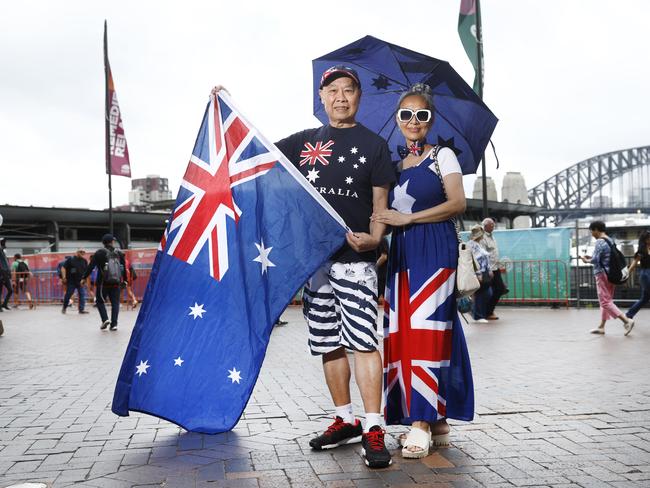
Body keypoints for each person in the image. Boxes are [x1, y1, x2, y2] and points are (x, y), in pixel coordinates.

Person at [237, 65, 396, 468]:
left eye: (349, 90)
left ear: (359, 97)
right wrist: (226, 105)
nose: (341, 97)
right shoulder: (303, 141)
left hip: (355, 259)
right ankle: (345, 419)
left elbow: (380, 208)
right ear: (321, 98)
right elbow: (252, 152)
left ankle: (374, 426)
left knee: (363, 341)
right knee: (328, 342)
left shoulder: (375, 146)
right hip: (315, 261)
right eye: (333, 91)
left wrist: (376, 240)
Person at [371, 83, 474, 459]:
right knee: (408, 331)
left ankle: (421, 423)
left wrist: (408, 217)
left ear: (430, 120)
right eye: (406, 115)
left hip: (434, 246)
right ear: (398, 121)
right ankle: (439, 421)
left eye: (422, 115)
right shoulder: (396, 166)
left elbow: (458, 203)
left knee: (425, 328)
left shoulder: (443, 156)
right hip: (403, 252)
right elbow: (385, 214)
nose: (414, 121)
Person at [580, 221, 634, 335]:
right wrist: (593, 257)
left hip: (602, 274)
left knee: (605, 301)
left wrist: (586, 260)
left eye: (591, 231)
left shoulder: (600, 241)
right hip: (611, 274)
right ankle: (601, 327)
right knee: (606, 301)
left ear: (596, 229)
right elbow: (603, 257)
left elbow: (595, 260)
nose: (592, 234)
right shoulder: (609, 240)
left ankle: (626, 321)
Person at [82, 234, 126, 331]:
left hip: (103, 282)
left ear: (103, 243)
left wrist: (84, 278)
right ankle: (114, 324)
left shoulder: (99, 253)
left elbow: (91, 266)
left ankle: (105, 319)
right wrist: (125, 280)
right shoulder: (119, 253)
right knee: (115, 303)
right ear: (112, 242)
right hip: (116, 282)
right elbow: (123, 268)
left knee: (100, 301)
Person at [480, 218, 508, 320]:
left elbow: (493, 253)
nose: (493, 226)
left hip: (495, 267)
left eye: (493, 224)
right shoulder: (483, 238)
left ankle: (487, 311)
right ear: (485, 226)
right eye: (491, 225)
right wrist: (488, 269)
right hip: (488, 269)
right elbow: (483, 255)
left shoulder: (492, 237)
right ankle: (485, 312)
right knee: (486, 291)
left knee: (499, 289)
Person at [467, 225, 492, 323]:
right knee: (481, 294)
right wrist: (478, 273)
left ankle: (477, 313)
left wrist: (488, 269)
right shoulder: (472, 245)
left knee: (485, 293)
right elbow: (475, 260)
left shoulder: (478, 244)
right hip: (479, 272)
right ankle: (477, 315)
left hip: (483, 271)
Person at [626, 231, 650, 320]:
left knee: (644, 299)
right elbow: (634, 263)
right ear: (646, 240)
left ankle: (629, 315)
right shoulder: (641, 250)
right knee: (644, 298)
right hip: (646, 275)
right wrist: (627, 273)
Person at [61, 249, 89, 314]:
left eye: (83, 252)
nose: (82, 253)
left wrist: (85, 280)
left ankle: (81, 310)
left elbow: (86, 271)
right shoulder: (70, 259)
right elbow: (63, 268)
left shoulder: (84, 261)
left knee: (82, 295)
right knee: (68, 294)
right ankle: (64, 307)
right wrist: (64, 277)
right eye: (81, 252)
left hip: (81, 281)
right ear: (77, 252)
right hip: (71, 281)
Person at [0, 238, 12, 311]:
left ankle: (4, 304)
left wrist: (9, 273)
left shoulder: (4, 254)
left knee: (10, 290)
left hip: (6, 274)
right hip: (1, 273)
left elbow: (7, 265)